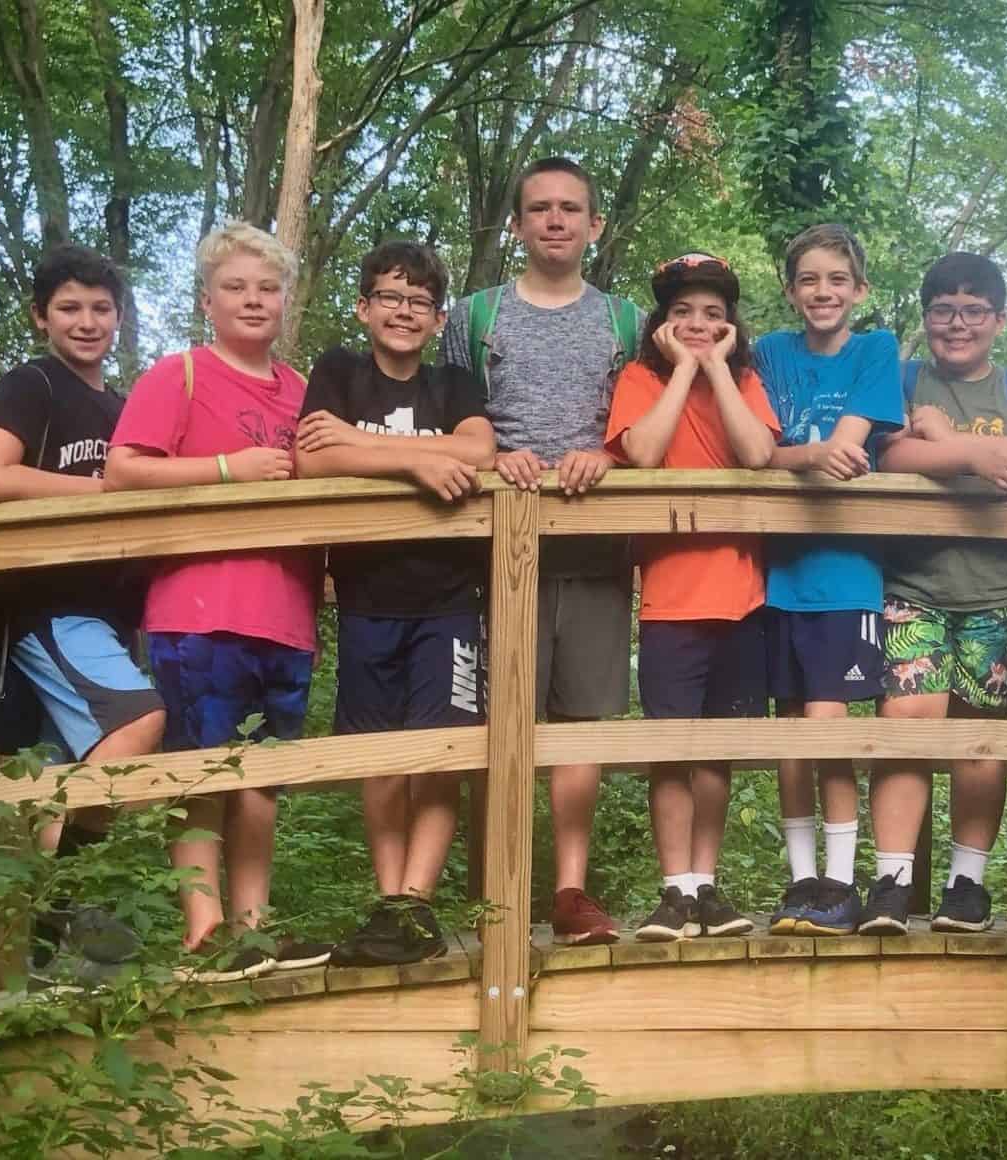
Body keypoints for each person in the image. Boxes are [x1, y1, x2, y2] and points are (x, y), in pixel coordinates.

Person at [104, 221, 325, 983]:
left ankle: (254, 929)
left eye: (267, 288)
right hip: (197, 608)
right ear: (208, 300)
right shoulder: (181, 375)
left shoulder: (302, 390)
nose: (253, 300)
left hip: (288, 611)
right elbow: (124, 470)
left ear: (286, 301)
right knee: (200, 770)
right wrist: (228, 468)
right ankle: (204, 933)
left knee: (263, 779)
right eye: (236, 287)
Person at [441, 156, 645, 947]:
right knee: (499, 718)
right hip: (496, 547)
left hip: (595, 546)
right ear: (518, 224)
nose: (555, 220)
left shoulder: (624, 320)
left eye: (571, 209)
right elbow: (451, 417)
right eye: (540, 208)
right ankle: (496, 888)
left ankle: (568, 889)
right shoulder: (477, 314)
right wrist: (492, 462)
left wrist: (615, 461)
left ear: (594, 225)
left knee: (584, 720)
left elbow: (641, 425)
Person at [293, 240, 496, 967]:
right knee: (380, 756)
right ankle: (388, 903)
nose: (403, 311)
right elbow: (311, 456)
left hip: (448, 597)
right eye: (389, 297)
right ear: (363, 307)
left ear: (439, 319)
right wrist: (415, 459)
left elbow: (480, 451)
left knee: (439, 752)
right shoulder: (340, 372)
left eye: (418, 302)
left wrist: (360, 443)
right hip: (365, 595)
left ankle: (418, 902)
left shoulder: (453, 382)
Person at [0, 244, 167, 977]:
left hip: (110, 612)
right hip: (45, 603)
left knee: (63, 789)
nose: (88, 323)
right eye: (69, 309)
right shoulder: (33, 384)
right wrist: (103, 495)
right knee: (138, 721)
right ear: (40, 317)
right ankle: (65, 901)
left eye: (101, 309)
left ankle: (32, 955)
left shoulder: (121, 406)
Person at [875, 252, 1007, 935]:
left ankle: (968, 883)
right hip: (911, 584)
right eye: (943, 311)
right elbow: (889, 455)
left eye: (974, 311)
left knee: (979, 739)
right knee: (906, 724)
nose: (957, 324)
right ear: (927, 317)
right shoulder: (899, 378)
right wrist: (978, 456)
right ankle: (892, 879)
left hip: (996, 591)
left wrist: (945, 440)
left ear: (999, 320)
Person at [607, 252, 779, 942]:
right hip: (671, 598)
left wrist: (715, 370)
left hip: (741, 594)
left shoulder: (746, 382)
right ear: (661, 323)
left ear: (732, 323)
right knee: (672, 747)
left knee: (718, 749)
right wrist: (682, 369)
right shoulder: (640, 379)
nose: (699, 323)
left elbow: (758, 454)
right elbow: (643, 454)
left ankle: (706, 884)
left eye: (713, 313)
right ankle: (674, 888)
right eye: (683, 313)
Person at [751, 224, 907, 937]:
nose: (823, 291)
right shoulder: (769, 354)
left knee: (827, 722)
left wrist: (795, 454)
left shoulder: (875, 350)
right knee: (790, 729)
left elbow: (846, 449)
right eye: (809, 279)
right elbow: (751, 450)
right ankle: (800, 881)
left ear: (859, 290)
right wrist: (795, 458)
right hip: (777, 571)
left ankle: (841, 884)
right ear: (790, 290)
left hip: (847, 572)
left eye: (837, 280)